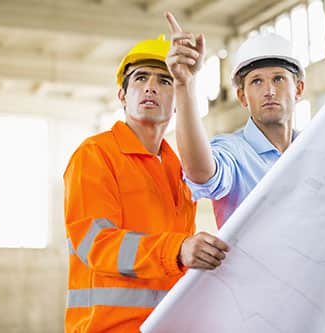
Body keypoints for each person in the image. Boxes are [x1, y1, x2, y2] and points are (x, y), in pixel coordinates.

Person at [164, 12, 325, 274]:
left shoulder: (321, 155)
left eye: (279, 79)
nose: (269, 90)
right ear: (242, 96)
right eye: (256, 81)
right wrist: (184, 85)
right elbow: (202, 173)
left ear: (299, 88)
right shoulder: (233, 153)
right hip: (252, 305)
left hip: (315, 304)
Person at [63, 34, 229, 332]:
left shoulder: (177, 169)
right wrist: (177, 250)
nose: (151, 86)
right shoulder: (95, 155)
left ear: (178, 100)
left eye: (165, 81)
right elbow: (96, 244)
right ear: (122, 96)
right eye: (140, 78)